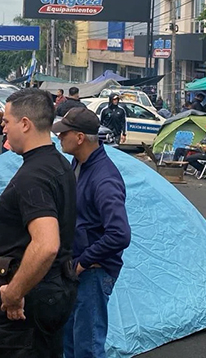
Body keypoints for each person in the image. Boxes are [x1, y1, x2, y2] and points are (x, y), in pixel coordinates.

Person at [0, 88, 77, 357]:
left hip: (32, 294)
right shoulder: (58, 163)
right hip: (55, 287)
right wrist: (5, 227)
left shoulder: (34, 176)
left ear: (25, 124)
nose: (3, 129)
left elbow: (46, 245)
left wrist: (15, 292)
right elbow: (51, 220)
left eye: (6, 122)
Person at [54, 109, 131, 358]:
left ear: (79, 138)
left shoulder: (104, 178)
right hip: (77, 268)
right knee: (69, 343)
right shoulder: (79, 163)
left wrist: (83, 263)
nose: (59, 138)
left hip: (93, 272)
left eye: (63, 133)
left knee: (87, 347)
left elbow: (120, 234)